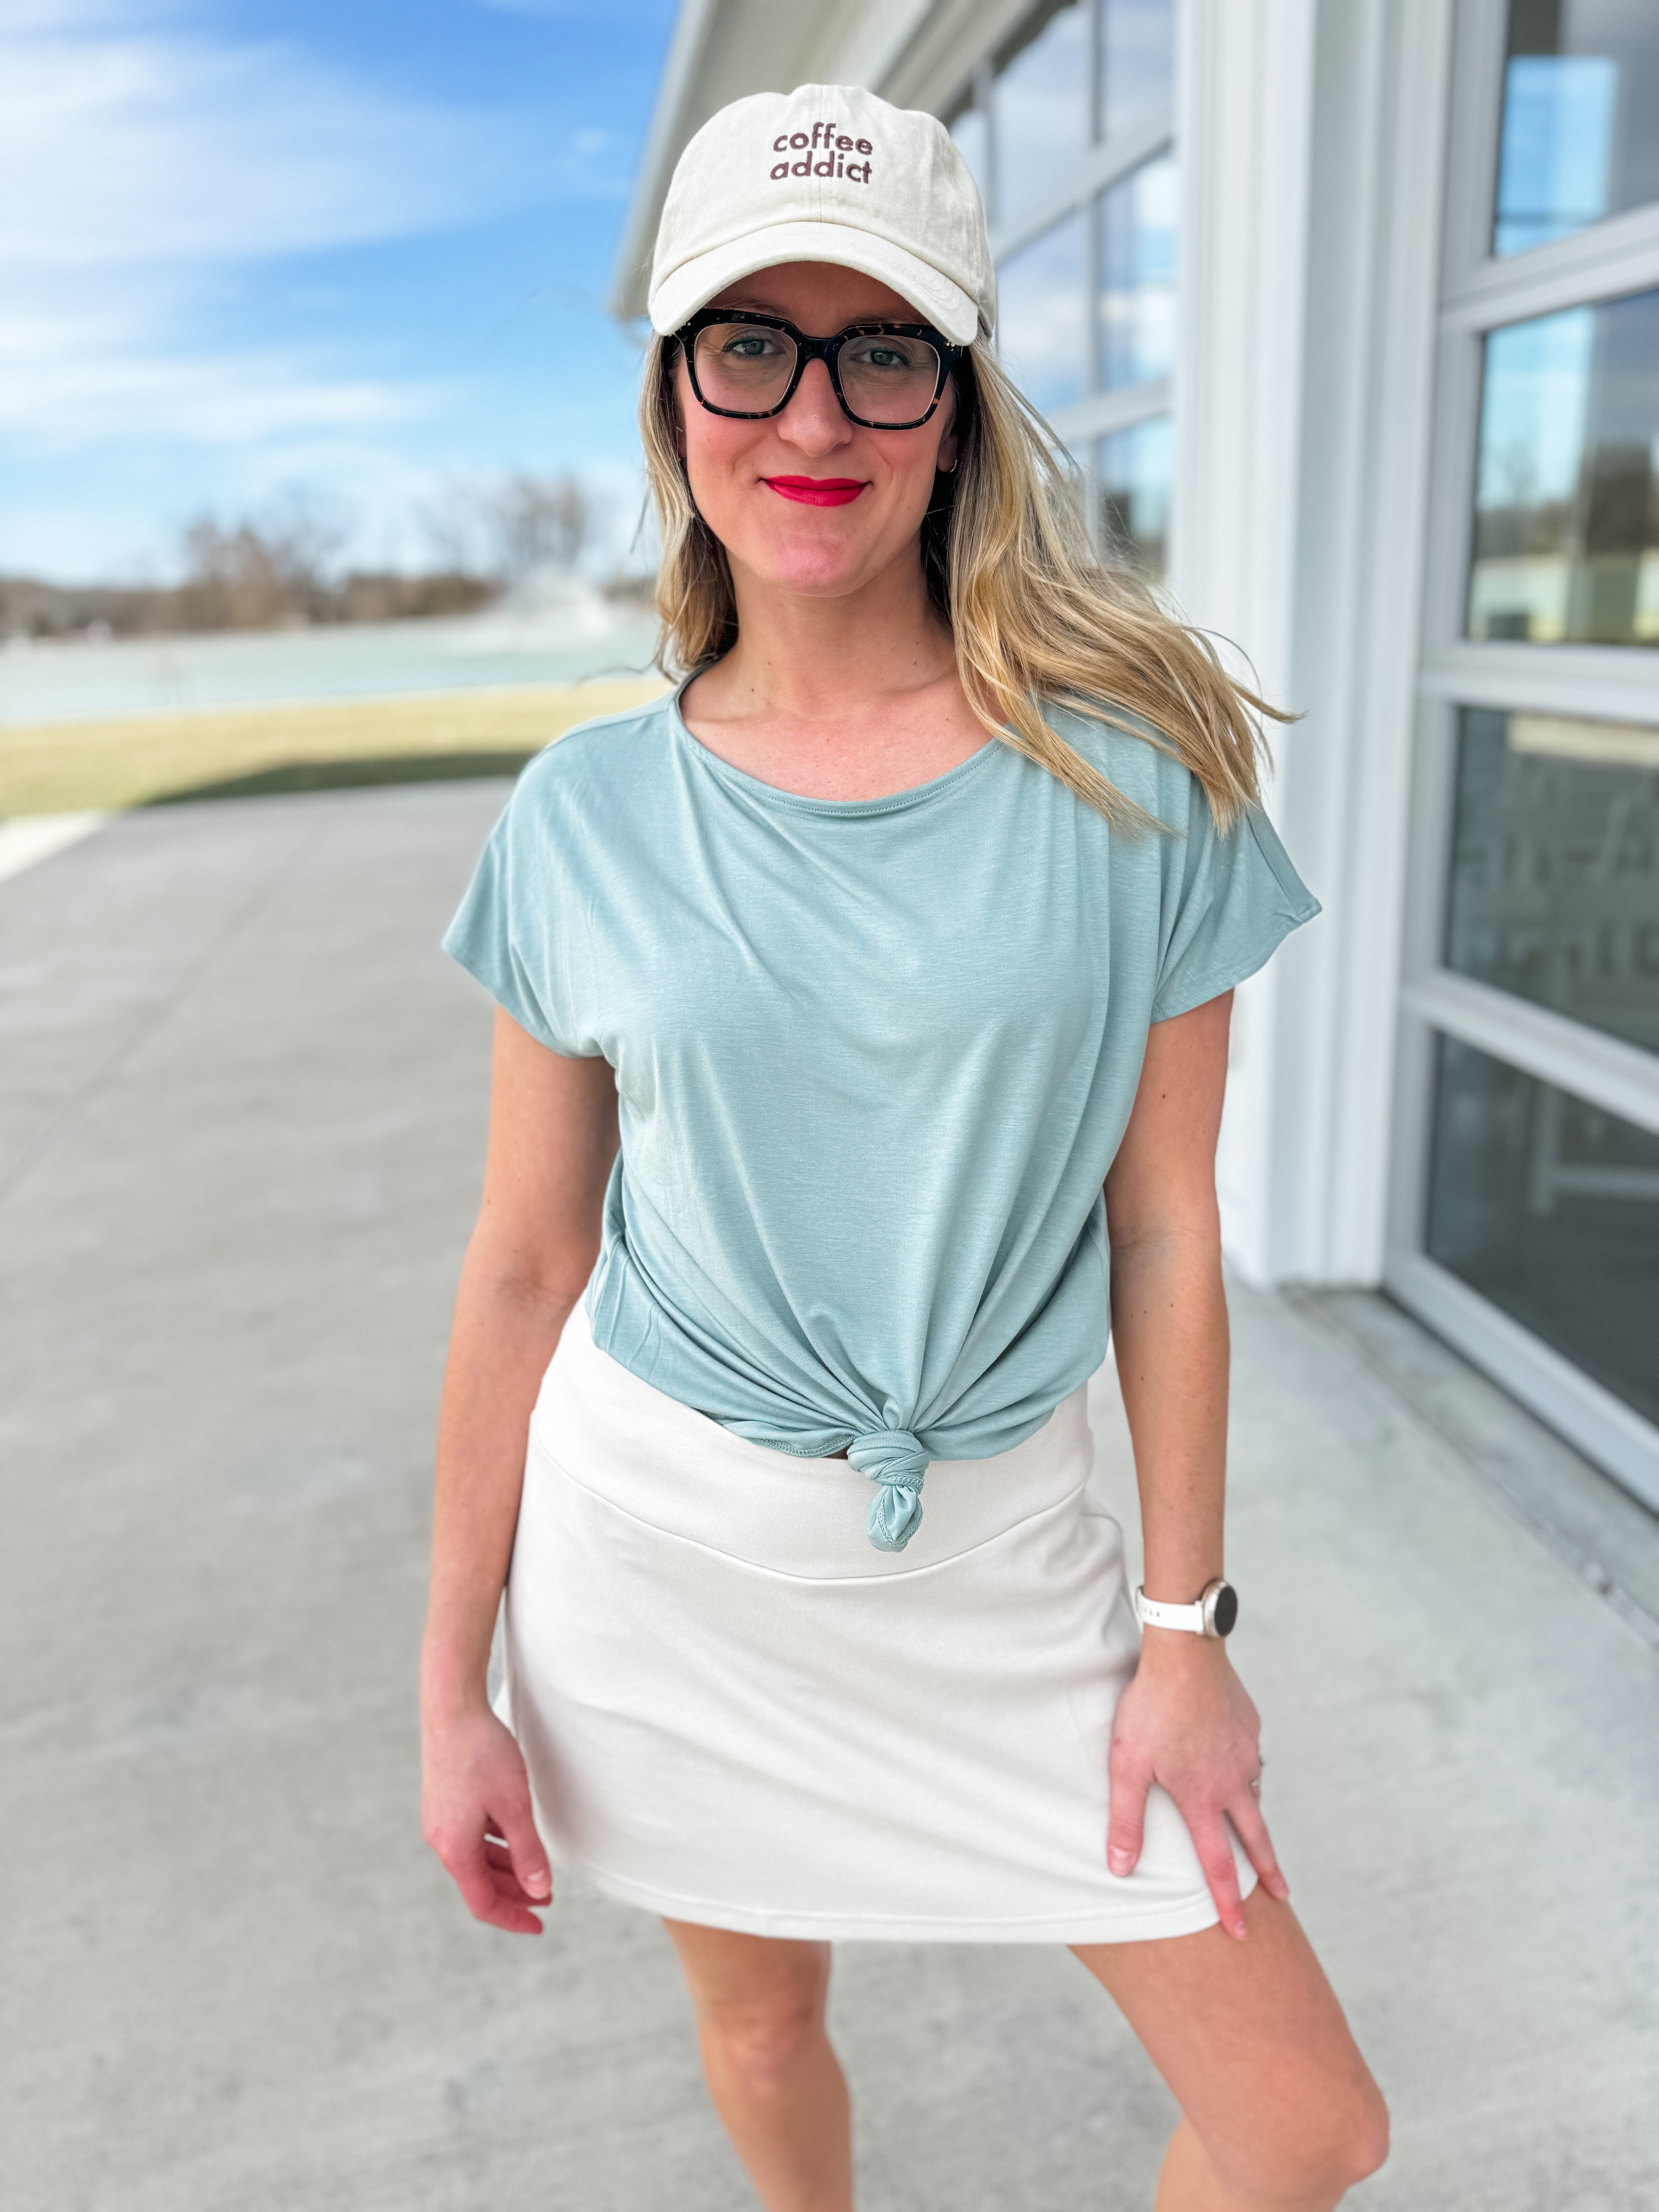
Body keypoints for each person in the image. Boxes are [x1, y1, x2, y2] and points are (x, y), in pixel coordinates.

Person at [421, 82, 1388, 2212]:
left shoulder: (1139, 778)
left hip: (1008, 1566)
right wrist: (449, 1680)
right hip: (661, 1565)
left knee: (1306, 2128)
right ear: (674, 401)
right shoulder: (584, 814)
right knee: (764, 2028)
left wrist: (1186, 1631)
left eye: (882, 351)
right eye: (748, 346)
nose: (812, 416)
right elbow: (524, 1261)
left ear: (956, 410)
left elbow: (1165, 1231)